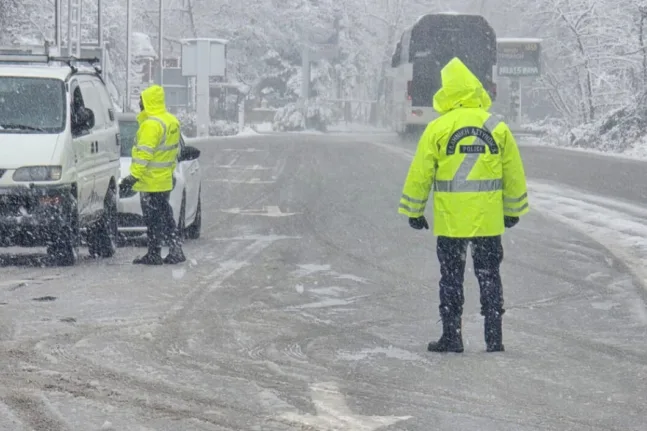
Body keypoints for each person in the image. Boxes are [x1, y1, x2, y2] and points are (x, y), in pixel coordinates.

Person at [398, 57, 529, 353]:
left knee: (451, 279)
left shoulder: (437, 128)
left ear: (448, 91)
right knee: (489, 276)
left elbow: (421, 173)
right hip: (487, 221)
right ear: (475, 89)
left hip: (451, 221)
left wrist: (414, 211)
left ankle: (452, 337)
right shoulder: (497, 126)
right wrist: (513, 211)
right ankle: (494, 338)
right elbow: (513, 173)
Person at [120, 85, 186, 265]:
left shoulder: (151, 125)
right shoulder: (171, 121)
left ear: (149, 102)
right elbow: (173, 152)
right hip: (164, 179)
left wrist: (132, 177)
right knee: (165, 215)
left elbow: (144, 154)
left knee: (153, 219)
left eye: (141, 100)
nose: (139, 104)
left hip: (150, 181)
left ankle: (155, 253)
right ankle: (174, 249)